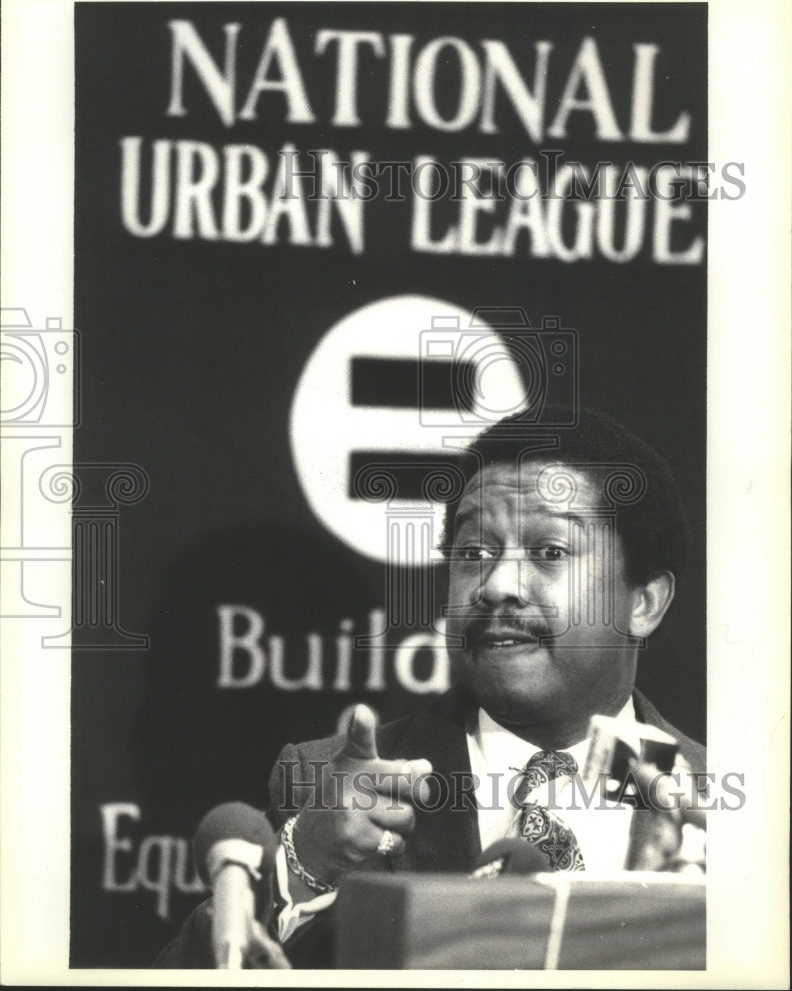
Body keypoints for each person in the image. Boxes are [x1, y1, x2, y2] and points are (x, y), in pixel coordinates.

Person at [156, 406, 706, 968]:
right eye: (473, 554)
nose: (496, 585)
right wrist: (307, 866)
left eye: (548, 552)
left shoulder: (726, 810)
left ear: (644, 602)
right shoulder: (322, 788)